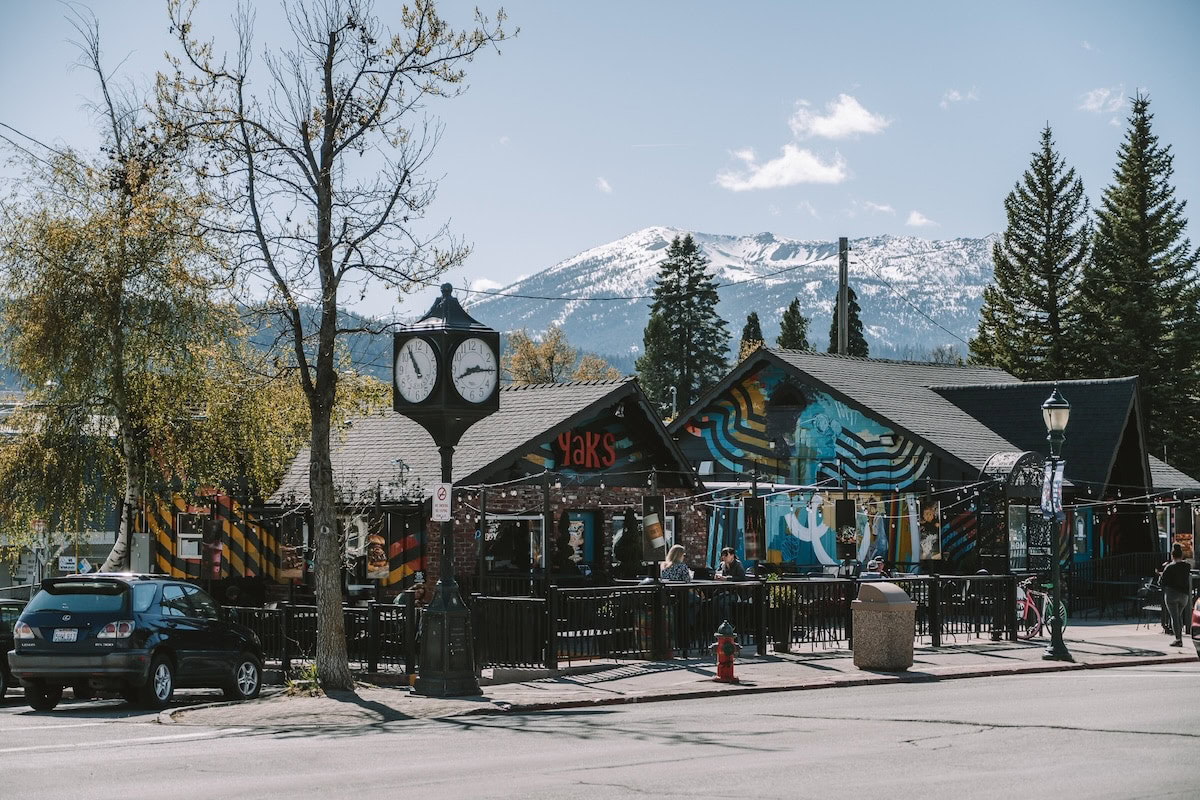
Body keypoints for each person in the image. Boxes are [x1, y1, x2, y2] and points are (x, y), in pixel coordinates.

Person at [1160, 543, 1191, 647]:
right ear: (1181, 555)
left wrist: (1161, 573)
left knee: (1174, 617)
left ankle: (1178, 639)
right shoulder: (1187, 566)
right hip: (1184, 596)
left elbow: (1162, 582)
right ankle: (1179, 636)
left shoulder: (1169, 567)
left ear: (1172, 556)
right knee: (1179, 616)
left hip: (1171, 594)